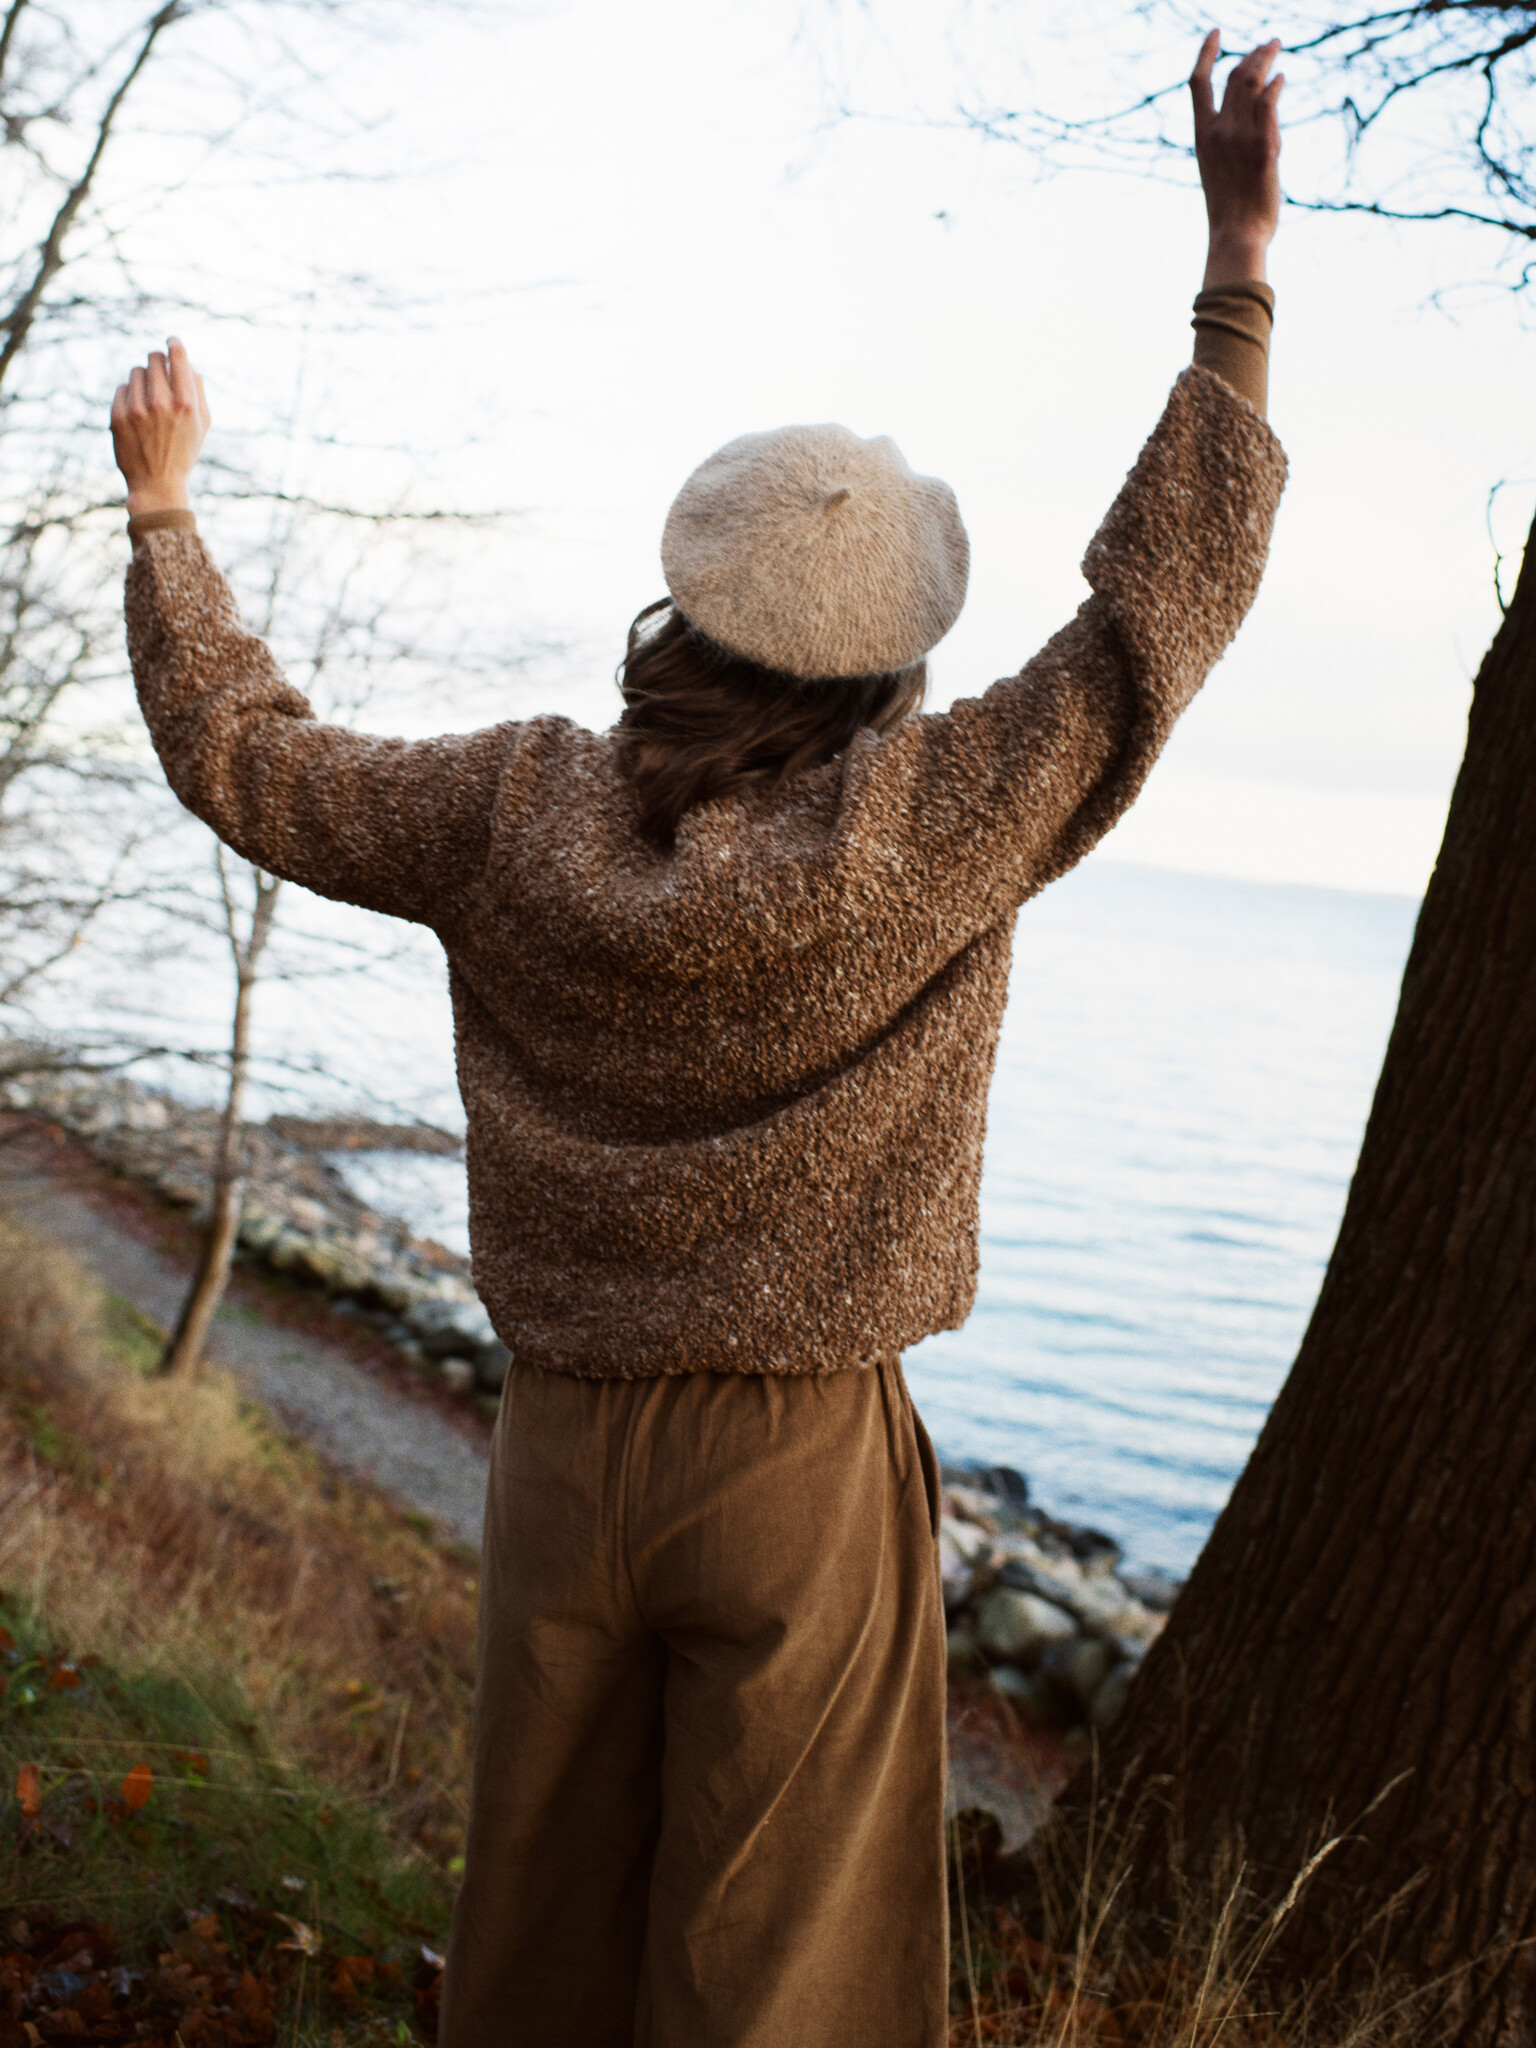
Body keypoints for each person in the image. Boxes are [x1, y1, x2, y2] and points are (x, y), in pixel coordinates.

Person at [111, 29, 1285, 2048]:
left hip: (563, 1446)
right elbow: (1151, 627)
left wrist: (164, 519)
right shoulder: (940, 821)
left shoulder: (514, 808)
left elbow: (250, 758)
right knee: (778, 1997)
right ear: (892, 653)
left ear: (685, 601)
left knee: (541, 1949)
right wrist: (1237, 268)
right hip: (796, 1456)